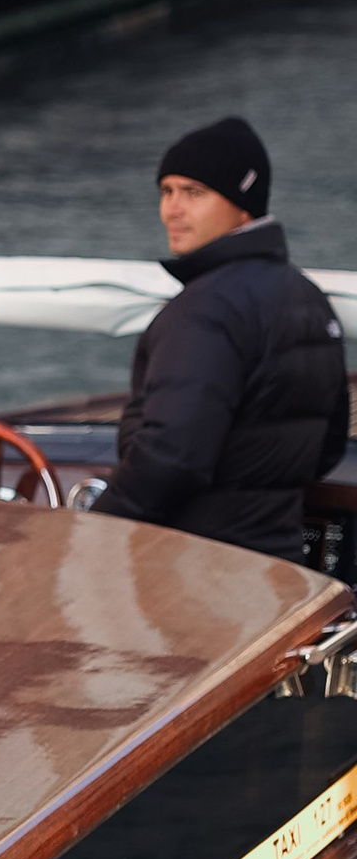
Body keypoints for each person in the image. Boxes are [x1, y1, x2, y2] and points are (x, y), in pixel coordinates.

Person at [92, 116, 348, 561]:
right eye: (167, 191)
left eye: (194, 193)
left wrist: (88, 532)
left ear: (242, 203)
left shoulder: (206, 309)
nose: (172, 209)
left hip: (193, 571)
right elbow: (326, 447)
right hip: (279, 569)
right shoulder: (310, 300)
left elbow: (171, 458)